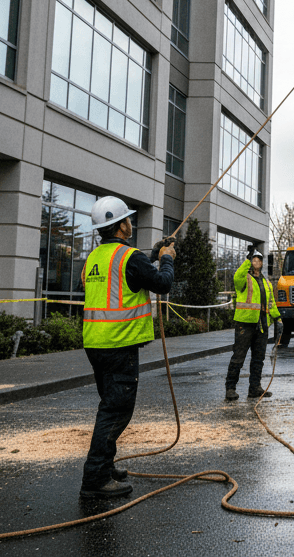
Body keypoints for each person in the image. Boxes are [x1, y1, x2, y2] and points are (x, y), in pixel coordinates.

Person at [80, 197, 175, 500]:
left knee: (109, 404)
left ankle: (104, 467)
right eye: (128, 219)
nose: (131, 223)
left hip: (96, 342)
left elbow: (126, 276)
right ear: (121, 226)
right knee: (115, 410)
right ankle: (95, 478)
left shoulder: (95, 257)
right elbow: (161, 283)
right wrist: (167, 259)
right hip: (119, 344)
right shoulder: (129, 257)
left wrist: (153, 254)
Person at [225, 246, 282, 401]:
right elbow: (237, 275)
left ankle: (255, 388)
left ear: (262, 263)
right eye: (254, 260)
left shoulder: (266, 282)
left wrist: (278, 318)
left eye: (259, 260)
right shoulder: (244, 279)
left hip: (262, 325)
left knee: (258, 359)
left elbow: (271, 303)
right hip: (245, 324)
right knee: (238, 357)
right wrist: (247, 260)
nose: (257, 262)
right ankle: (230, 388)